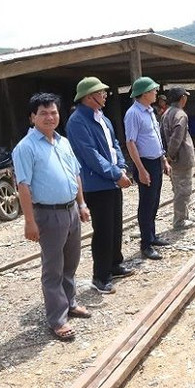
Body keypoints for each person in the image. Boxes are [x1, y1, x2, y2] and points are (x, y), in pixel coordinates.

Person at [12, 93, 92, 342]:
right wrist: (29, 221)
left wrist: (81, 203)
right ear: (32, 117)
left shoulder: (63, 142)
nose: (50, 117)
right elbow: (23, 186)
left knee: (71, 262)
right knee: (53, 268)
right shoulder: (26, 147)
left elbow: (75, 175)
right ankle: (57, 319)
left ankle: (70, 302)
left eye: (54, 112)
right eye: (44, 113)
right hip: (48, 214)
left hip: (70, 210)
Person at [67, 77, 134, 295]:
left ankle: (115, 264)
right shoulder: (77, 121)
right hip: (96, 184)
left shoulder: (102, 117)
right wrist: (116, 174)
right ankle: (101, 275)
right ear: (88, 97)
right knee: (103, 230)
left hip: (112, 180)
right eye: (101, 92)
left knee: (115, 225)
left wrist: (121, 167)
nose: (105, 95)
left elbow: (114, 144)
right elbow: (91, 156)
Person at [124, 76, 172, 261]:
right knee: (146, 204)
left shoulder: (150, 111)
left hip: (155, 162)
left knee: (154, 201)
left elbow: (155, 139)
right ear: (144, 94)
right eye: (153, 90)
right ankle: (145, 244)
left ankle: (152, 236)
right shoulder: (133, 113)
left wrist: (163, 160)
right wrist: (141, 169)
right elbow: (131, 142)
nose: (156, 93)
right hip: (144, 163)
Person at [160, 87, 195, 230]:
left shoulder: (166, 113)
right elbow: (176, 139)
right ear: (182, 98)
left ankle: (184, 215)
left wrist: (166, 156)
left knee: (177, 188)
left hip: (173, 160)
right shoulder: (180, 115)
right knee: (184, 190)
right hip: (181, 158)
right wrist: (170, 155)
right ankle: (180, 221)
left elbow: (162, 136)